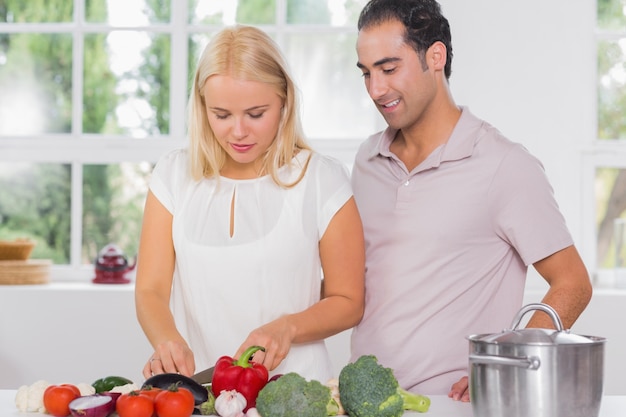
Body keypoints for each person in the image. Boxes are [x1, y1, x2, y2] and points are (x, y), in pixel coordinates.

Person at [349, 0, 593, 402]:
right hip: (365, 403)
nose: (376, 90)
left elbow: (573, 283)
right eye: (367, 73)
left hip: (454, 405)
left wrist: (504, 363)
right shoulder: (367, 160)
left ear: (436, 56)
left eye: (389, 69)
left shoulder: (504, 165)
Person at [134, 25, 365, 384]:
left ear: (284, 101)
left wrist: (288, 328)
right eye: (221, 114)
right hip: (203, 393)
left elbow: (348, 299)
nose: (238, 132)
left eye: (256, 114)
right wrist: (168, 341)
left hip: (297, 393)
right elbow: (150, 289)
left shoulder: (322, 179)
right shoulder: (174, 175)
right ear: (201, 106)